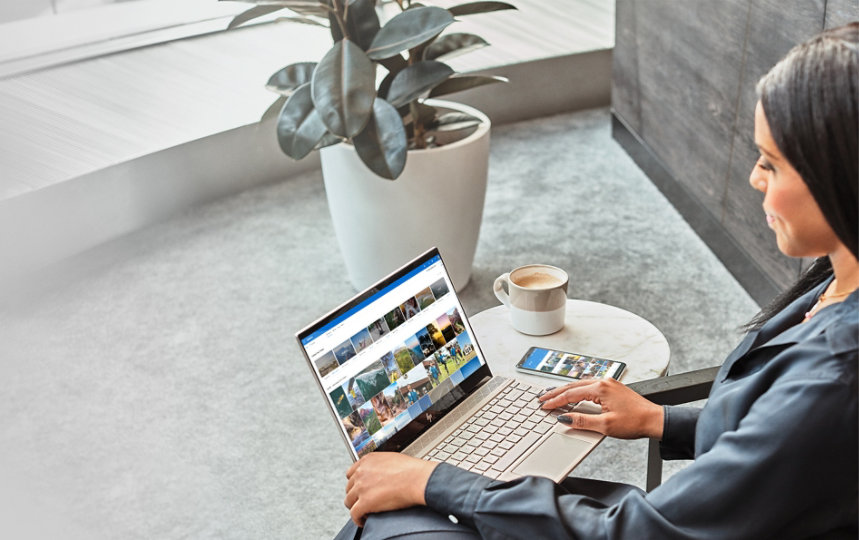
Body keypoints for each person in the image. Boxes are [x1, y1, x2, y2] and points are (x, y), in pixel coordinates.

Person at [336, 23, 858, 539]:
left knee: (388, 513)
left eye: (771, 162)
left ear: (839, 174)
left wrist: (438, 481)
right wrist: (659, 419)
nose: (754, 177)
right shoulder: (839, 280)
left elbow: (634, 533)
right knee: (396, 500)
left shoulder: (833, 379)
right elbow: (780, 450)